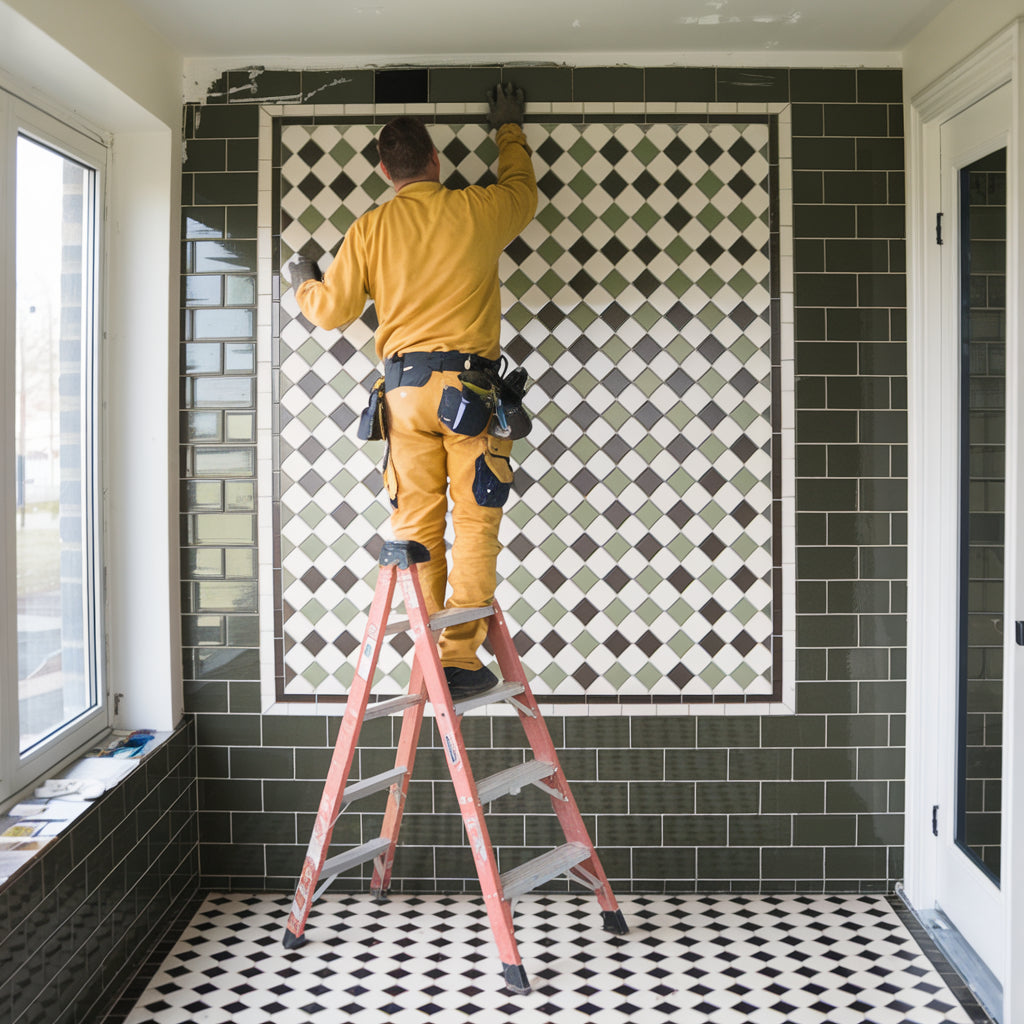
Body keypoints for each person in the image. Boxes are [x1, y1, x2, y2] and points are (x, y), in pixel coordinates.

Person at [288, 83, 537, 699]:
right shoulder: (475, 208)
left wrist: (302, 280)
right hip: (470, 395)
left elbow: (330, 313)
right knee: (475, 521)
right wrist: (508, 128)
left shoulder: (369, 229)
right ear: (435, 161)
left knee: (417, 524)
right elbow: (524, 194)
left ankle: (427, 656)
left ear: (383, 171)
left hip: (402, 396)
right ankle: (456, 660)